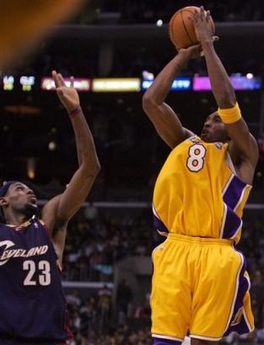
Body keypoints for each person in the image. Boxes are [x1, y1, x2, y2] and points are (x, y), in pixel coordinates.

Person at [142, 6, 259, 345]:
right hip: (174, 248)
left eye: (216, 120)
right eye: (207, 120)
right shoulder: (185, 142)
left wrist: (207, 44)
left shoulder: (242, 152)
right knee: (163, 339)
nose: (209, 122)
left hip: (217, 254)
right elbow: (152, 101)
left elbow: (226, 101)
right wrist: (182, 55)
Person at [0, 70, 100, 344]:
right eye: (19, 188)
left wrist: (75, 111)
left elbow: (89, 169)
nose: (29, 189)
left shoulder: (48, 222)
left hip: (51, 339)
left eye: (28, 187)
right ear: (3, 201)